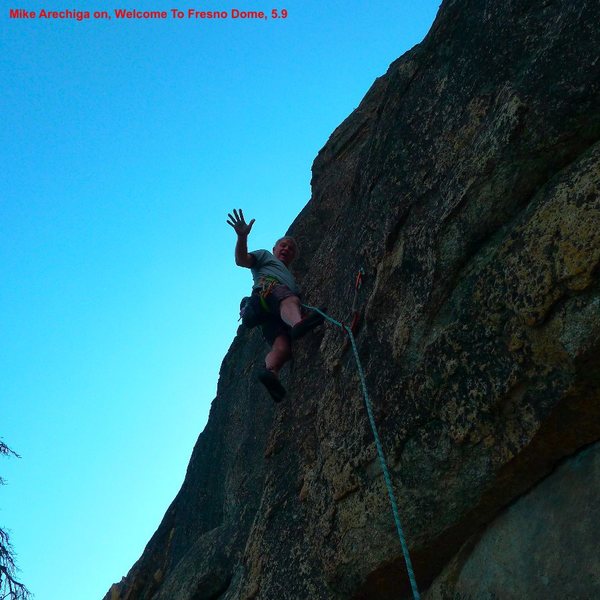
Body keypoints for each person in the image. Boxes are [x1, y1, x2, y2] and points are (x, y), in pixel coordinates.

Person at [227, 208, 322, 402]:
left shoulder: (291, 278)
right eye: (283, 245)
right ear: (274, 248)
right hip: (268, 293)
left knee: (282, 346)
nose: (286, 249)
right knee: (289, 299)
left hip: (269, 313)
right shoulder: (264, 257)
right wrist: (242, 237)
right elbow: (242, 260)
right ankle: (297, 324)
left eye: (291, 249)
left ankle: (271, 371)